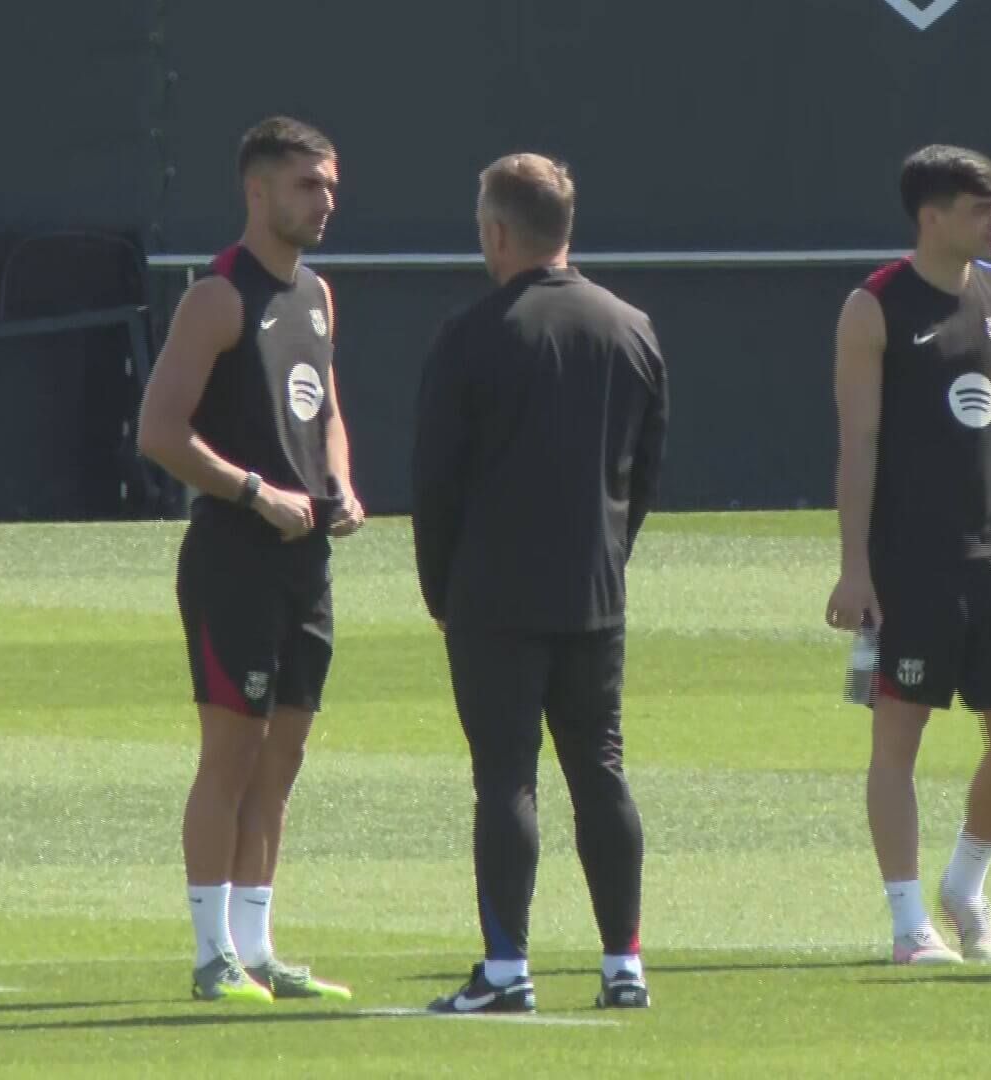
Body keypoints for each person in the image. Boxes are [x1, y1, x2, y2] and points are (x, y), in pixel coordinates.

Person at [412, 153, 668, 1012]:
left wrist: (440, 590)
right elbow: (645, 473)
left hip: (493, 595)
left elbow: (434, 482)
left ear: (496, 230)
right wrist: (609, 554)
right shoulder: (630, 326)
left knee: (506, 779)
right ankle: (622, 965)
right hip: (594, 591)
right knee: (600, 770)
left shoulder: (473, 332)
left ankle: (505, 971)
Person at [136, 115, 364, 1003]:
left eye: (332, 186)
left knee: (284, 760)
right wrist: (252, 493)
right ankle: (209, 956)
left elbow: (326, 410)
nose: (326, 202)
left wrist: (339, 483)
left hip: (306, 564)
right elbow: (159, 432)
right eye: (309, 185)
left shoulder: (317, 294)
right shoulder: (217, 296)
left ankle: (257, 947)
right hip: (233, 556)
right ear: (258, 191)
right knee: (231, 756)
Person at [826, 144, 991, 966]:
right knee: (899, 736)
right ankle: (907, 922)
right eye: (981, 208)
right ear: (932, 217)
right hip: (909, 559)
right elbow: (859, 441)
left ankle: (965, 887)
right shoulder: (873, 306)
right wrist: (854, 566)